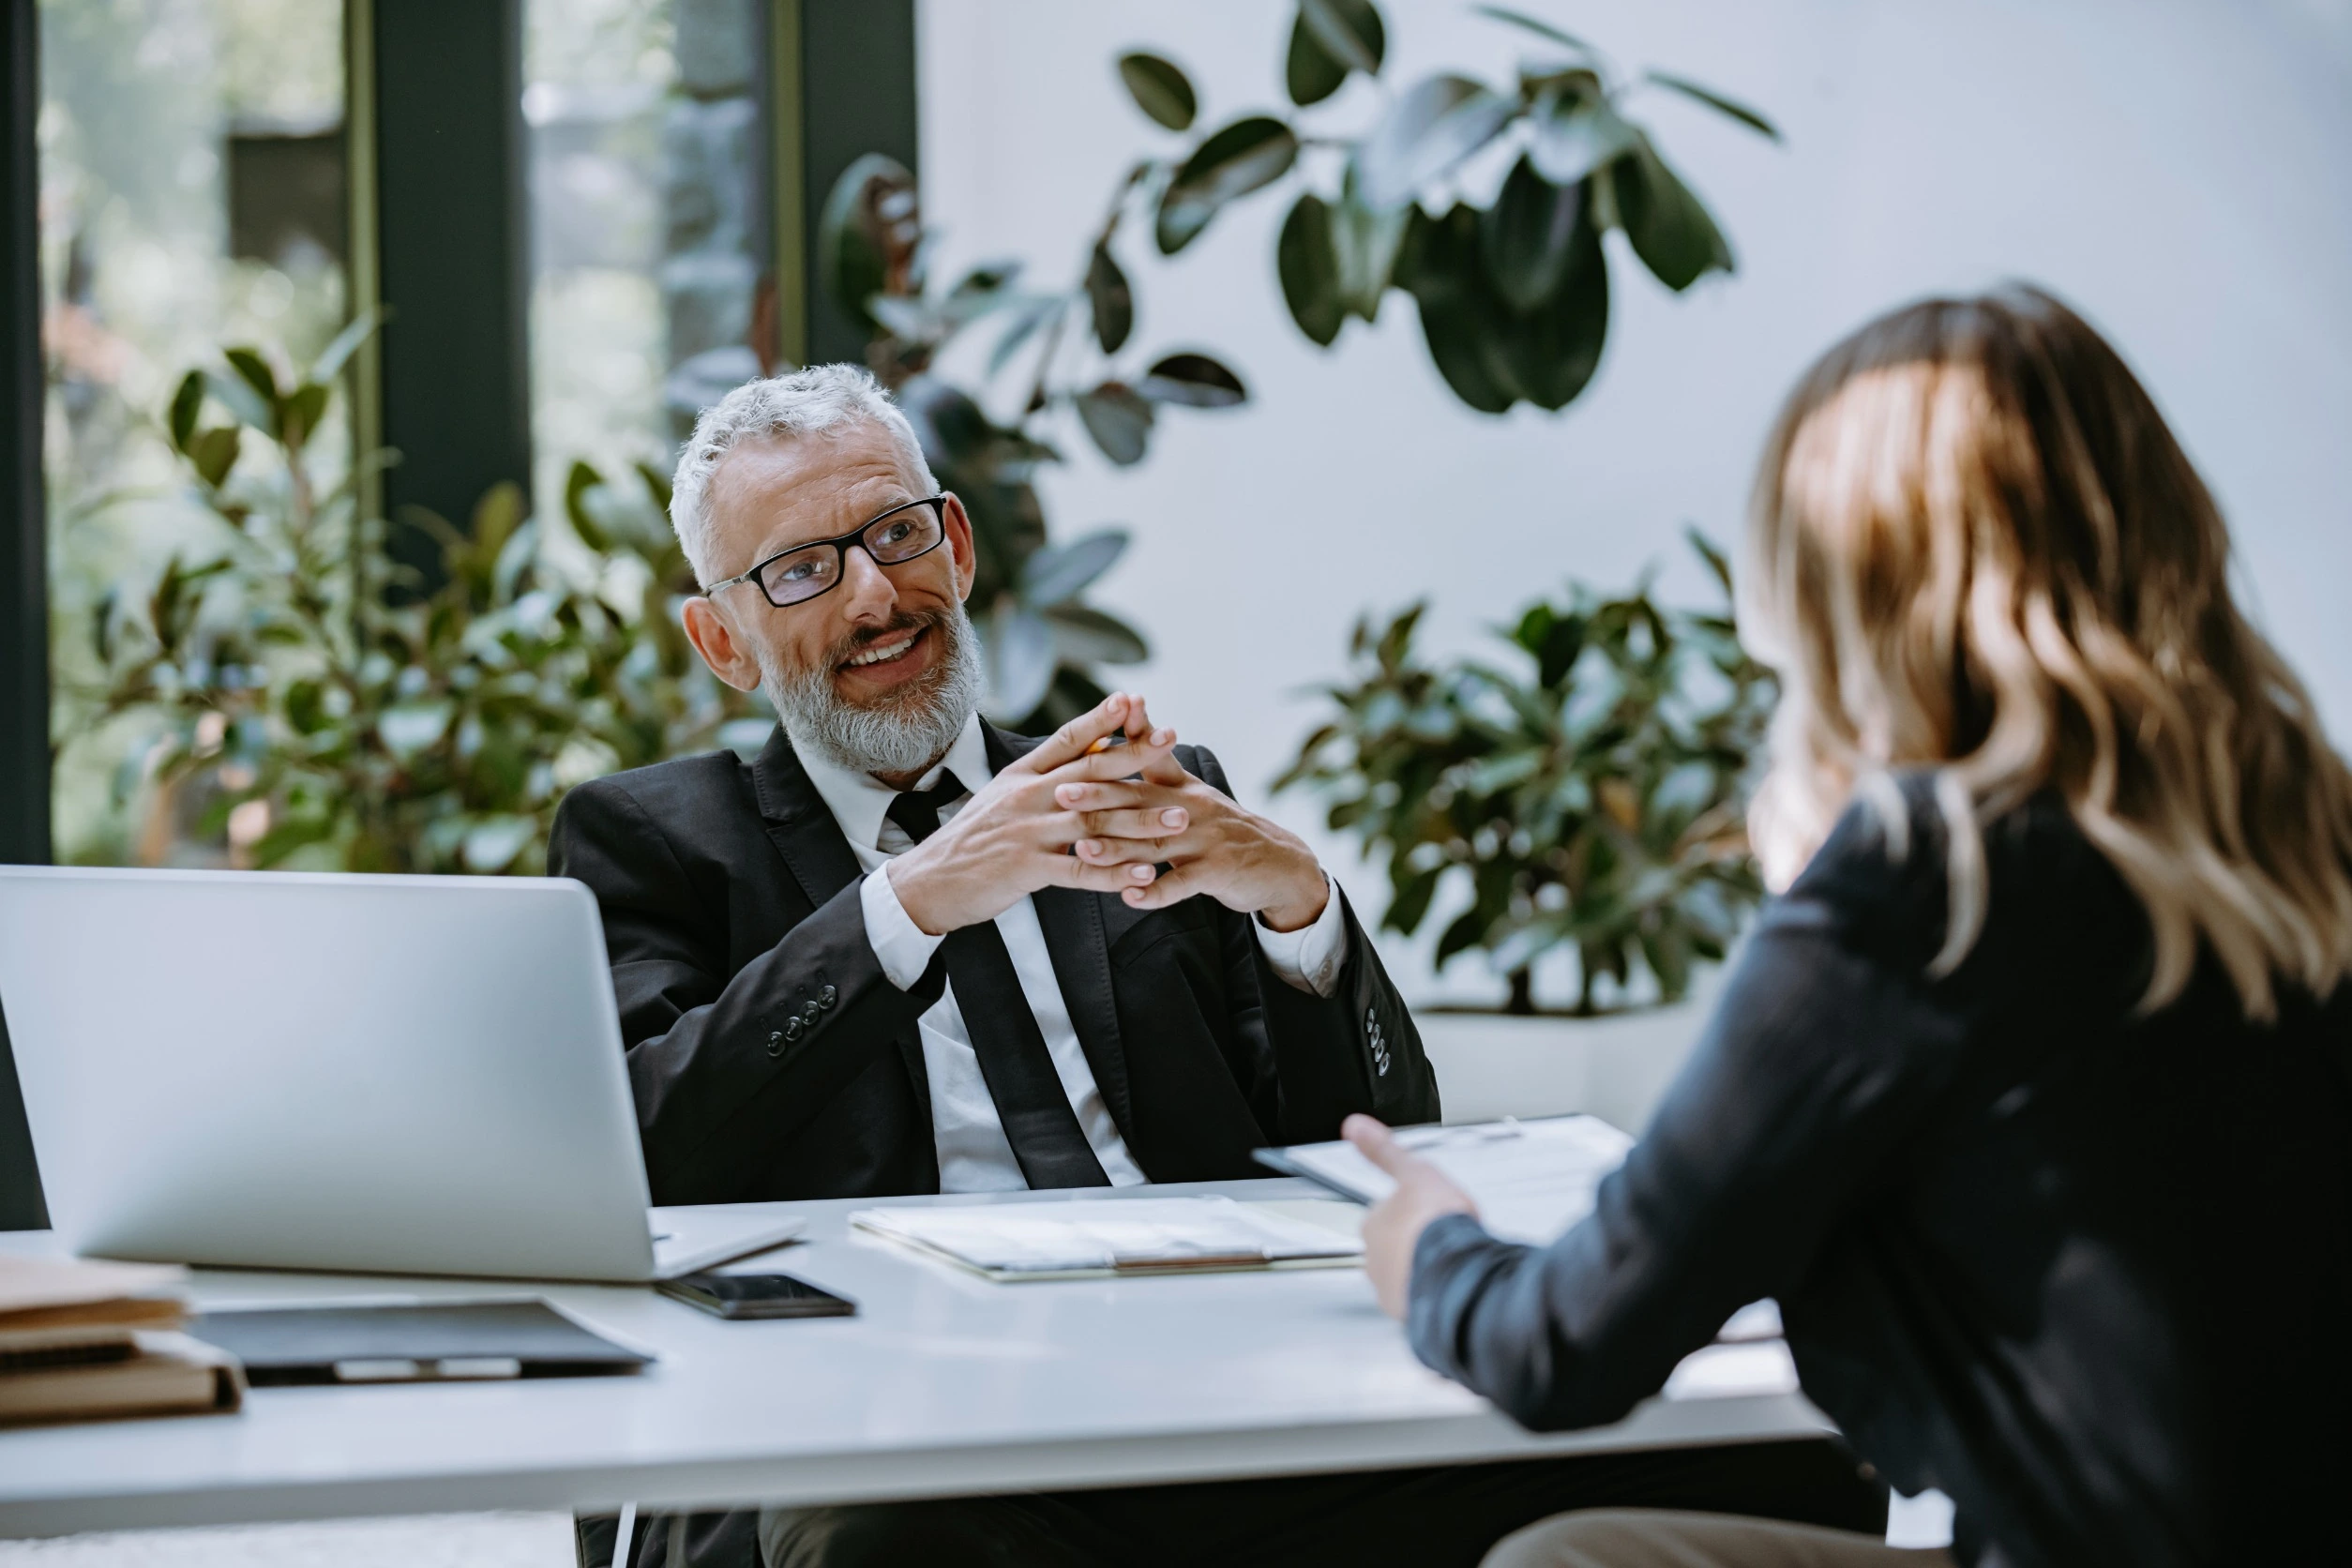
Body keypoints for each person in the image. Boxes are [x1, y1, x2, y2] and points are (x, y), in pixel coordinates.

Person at [552, 367, 1879, 1568]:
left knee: (1783, 1450)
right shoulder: (657, 844)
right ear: (722, 640)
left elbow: (1366, 1140)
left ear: (955, 547)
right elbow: (641, 1149)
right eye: (800, 570)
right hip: (887, 1435)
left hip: (1211, 1395)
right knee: (898, 1547)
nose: (872, 593)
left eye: (897, 535)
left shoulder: (1152, 798)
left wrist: (1299, 911)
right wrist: (917, 895)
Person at [1345, 286, 2352, 1568]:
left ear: (1844, 589)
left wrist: (1432, 1246)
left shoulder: (1932, 880)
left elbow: (1567, 1342)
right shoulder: (2301, 838)